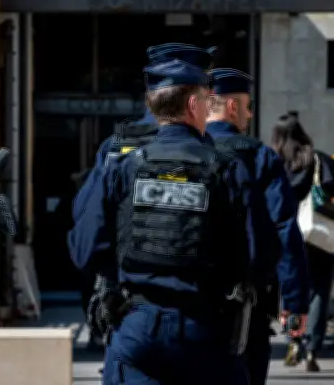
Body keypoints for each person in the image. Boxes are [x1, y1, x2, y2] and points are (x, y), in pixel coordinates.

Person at [70, 59, 280, 385]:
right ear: (194, 105)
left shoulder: (122, 167)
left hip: (136, 326)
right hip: (207, 330)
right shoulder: (228, 169)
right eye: (206, 100)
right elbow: (262, 255)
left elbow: (84, 250)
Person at [75, 43, 217, 351]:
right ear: (194, 100)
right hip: (203, 322)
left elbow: (85, 245)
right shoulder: (216, 159)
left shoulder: (116, 151)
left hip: (132, 318)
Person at [205, 68, 310, 383]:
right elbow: (284, 229)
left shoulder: (178, 153)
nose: (250, 115)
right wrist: (295, 303)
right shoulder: (258, 157)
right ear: (232, 107)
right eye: (248, 107)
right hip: (244, 310)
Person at [271, 113, 334, 372]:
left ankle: (294, 341)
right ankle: (312, 349)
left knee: (291, 289)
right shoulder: (317, 159)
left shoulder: (275, 162)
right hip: (319, 234)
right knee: (320, 290)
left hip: (288, 234)